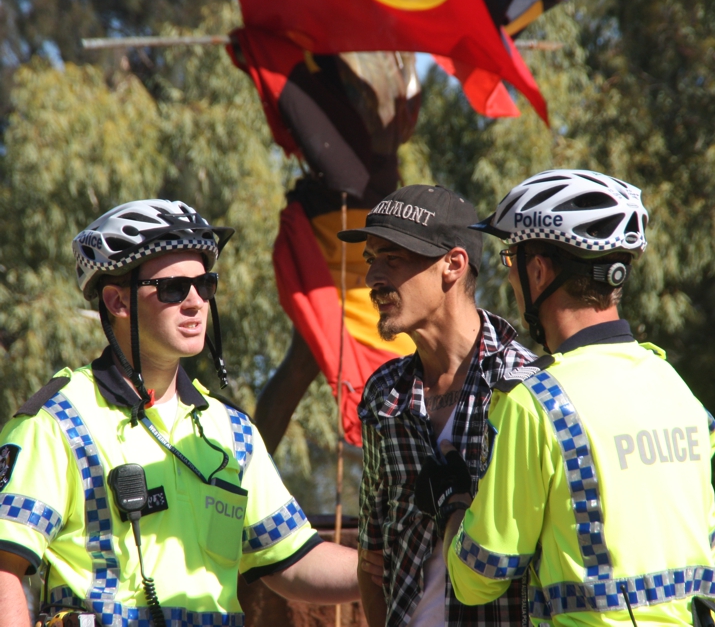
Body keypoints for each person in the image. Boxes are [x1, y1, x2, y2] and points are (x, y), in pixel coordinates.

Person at [0, 199, 359, 627]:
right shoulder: (57, 421)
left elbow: (294, 561)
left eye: (205, 285)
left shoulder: (232, 431)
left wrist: (397, 564)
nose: (195, 302)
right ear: (117, 301)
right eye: (173, 288)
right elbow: (4, 571)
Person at [427, 169, 715, 625]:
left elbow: (479, 578)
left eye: (511, 261)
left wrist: (455, 503)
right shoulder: (679, 391)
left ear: (538, 269)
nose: (513, 280)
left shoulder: (536, 403)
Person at [336, 184, 536, 627]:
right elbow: (371, 558)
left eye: (393, 258)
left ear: (453, 264)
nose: (372, 279)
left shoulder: (527, 386)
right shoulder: (382, 394)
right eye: (372, 260)